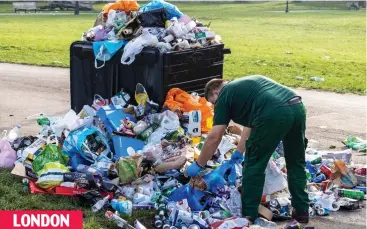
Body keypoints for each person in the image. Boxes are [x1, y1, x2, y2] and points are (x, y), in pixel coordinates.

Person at [185, 75, 310, 223]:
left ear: (215, 92)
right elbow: (250, 126)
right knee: (296, 161)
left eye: (214, 103)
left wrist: (199, 164)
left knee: (254, 164)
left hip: (273, 112)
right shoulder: (244, 88)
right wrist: (238, 152)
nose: (216, 106)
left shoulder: (224, 96)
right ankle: (301, 210)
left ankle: (249, 215)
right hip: (297, 106)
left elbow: (215, 136)